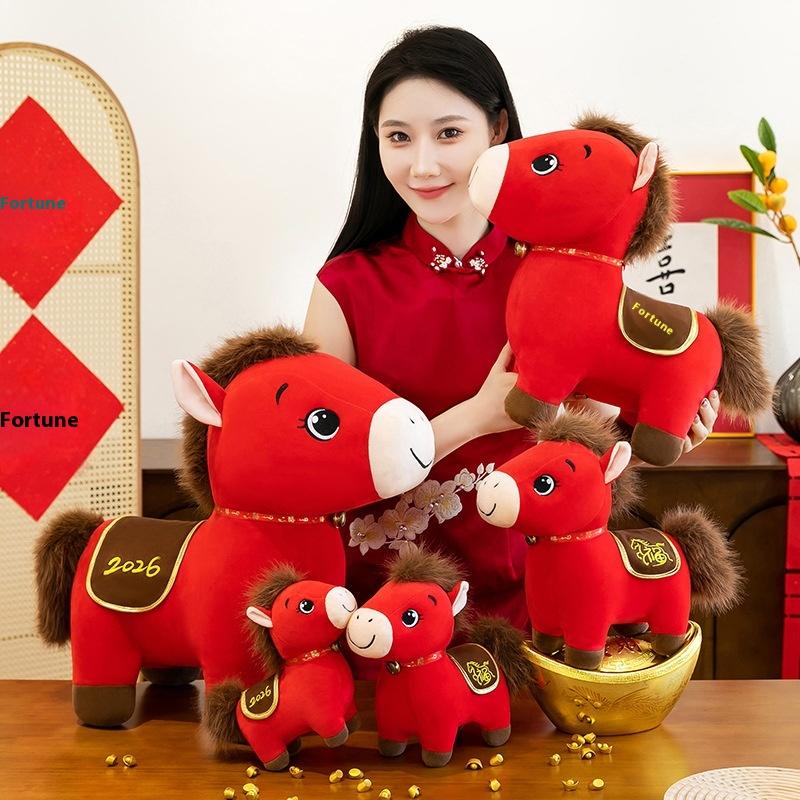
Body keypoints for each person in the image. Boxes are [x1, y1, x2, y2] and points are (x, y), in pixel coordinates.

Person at [303, 25, 719, 633]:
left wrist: (652, 426)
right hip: (386, 616)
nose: (423, 164)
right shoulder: (344, 287)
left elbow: (593, 430)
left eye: (449, 133)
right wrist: (476, 417)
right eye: (398, 137)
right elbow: (315, 478)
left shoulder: (565, 274)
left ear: (497, 129)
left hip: (542, 604)